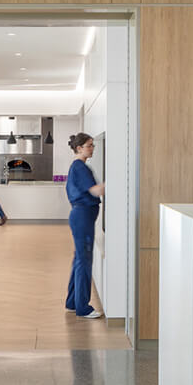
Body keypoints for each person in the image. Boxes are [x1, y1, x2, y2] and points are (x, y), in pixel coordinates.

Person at [65, 134, 105, 318]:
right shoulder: (80, 167)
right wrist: (114, 182)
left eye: (93, 145)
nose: (92, 148)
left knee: (79, 259)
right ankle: (83, 308)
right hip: (82, 216)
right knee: (84, 261)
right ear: (79, 148)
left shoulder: (79, 167)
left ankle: (73, 302)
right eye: (89, 146)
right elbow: (95, 190)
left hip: (82, 216)